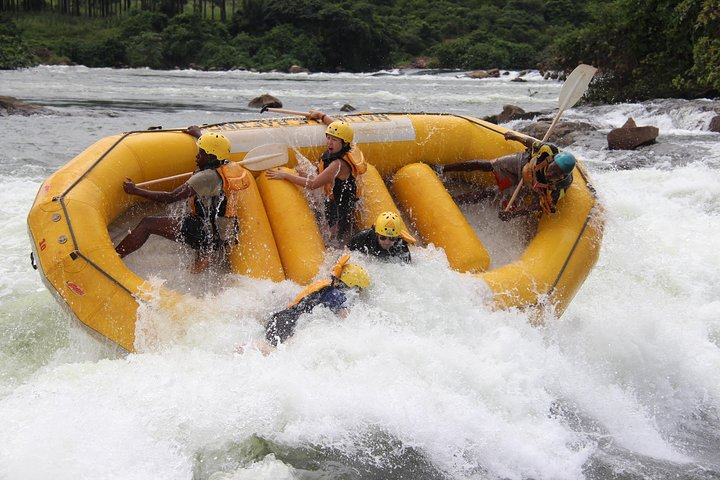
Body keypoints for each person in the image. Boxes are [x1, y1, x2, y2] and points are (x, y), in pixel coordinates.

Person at [115, 127, 250, 273]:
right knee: (202, 243)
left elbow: (171, 197)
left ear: (210, 157)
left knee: (148, 223)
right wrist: (199, 135)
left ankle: (115, 257)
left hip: (206, 231)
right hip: (224, 231)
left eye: (201, 153)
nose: (197, 157)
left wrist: (135, 190)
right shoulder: (225, 164)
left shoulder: (206, 177)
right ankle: (203, 258)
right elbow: (216, 149)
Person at [265, 110, 366, 246]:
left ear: (344, 143)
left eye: (334, 140)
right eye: (328, 137)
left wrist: (285, 175)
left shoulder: (338, 164)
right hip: (335, 196)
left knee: (331, 238)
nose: (329, 143)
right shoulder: (349, 145)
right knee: (302, 171)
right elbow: (336, 125)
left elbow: (313, 184)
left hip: (339, 207)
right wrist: (321, 116)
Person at [437, 131, 576, 220]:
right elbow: (530, 142)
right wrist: (515, 137)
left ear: (563, 175)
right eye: (553, 168)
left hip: (530, 185)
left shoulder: (560, 187)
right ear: (551, 161)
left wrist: (514, 214)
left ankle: (455, 202)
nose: (552, 173)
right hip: (523, 163)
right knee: (487, 165)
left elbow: (538, 206)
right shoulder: (548, 150)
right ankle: (442, 169)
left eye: (557, 173)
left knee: (492, 193)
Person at [264, 255, 370, 348]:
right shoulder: (335, 295)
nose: (359, 293)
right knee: (283, 352)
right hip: (286, 325)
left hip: (279, 320)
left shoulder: (327, 287)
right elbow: (349, 319)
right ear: (352, 286)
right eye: (359, 289)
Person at [349, 211, 415, 263]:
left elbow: (408, 266)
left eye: (392, 238)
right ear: (377, 234)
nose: (387, 242)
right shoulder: (364, 237)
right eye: (383, 237)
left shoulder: (401, 246)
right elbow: (347, 251)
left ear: (397, 237)